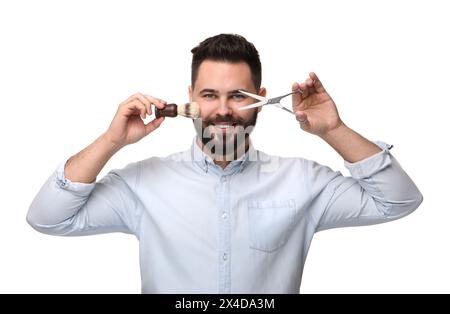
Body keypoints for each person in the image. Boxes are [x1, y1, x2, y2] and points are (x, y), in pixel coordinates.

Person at [27, 34, 423, 293]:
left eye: (237, 95)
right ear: (190, 96)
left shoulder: (304, 181)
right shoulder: (142, 183)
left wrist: (333, 129)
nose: (222, 111)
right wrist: (112, 141)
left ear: (261, 97)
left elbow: (400, 201)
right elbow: (47, 218)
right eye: (210, 95)